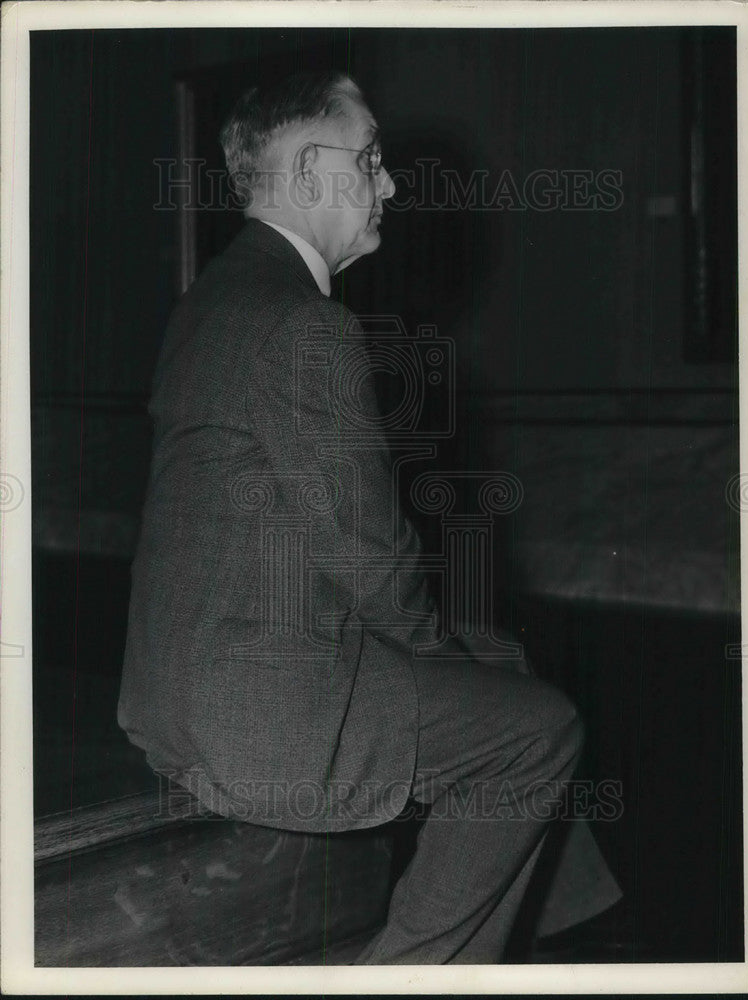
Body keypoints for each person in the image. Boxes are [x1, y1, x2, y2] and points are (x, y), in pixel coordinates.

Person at [118, 70, 619, 964]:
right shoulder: (307, 326)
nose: (388, 185)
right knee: (544, 729)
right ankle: (413, 974)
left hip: (177, 695)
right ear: (311, 171)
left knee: (500, 661)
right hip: (265, 719)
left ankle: (528, 943)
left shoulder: (213, 302)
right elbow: (374, 564)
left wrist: (456, 656)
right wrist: (438, 654)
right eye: (373, 160)